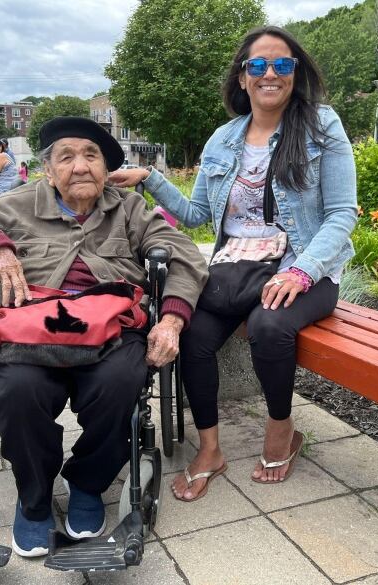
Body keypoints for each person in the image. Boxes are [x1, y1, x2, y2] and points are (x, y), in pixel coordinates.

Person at [0, 116, 208, 557]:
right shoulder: (16, 203)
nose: (80, 166)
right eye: (67, 156)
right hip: (25, 330)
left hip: (109, 331)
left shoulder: (129, 210)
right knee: (19, 392)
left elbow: (187, 257)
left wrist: (170, 321)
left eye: (91, 156)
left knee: (121, 384)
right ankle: (34, 499)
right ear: (49, 169)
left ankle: (88, 484)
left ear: (106, 168)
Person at [109, 25, 358, 500]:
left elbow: (342, 213)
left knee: (269, 326)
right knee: (193, 336)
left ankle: (281, 431)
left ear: (295, 73)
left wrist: (300, 271)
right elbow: (199, 215)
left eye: (282, 64)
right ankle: (210, 449)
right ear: (242, 77)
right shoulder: (223, 139)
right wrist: (150, 179)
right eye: (257, 65)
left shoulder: (322, 125)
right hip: (235, 268)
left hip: (307, 267)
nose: (269, 73)